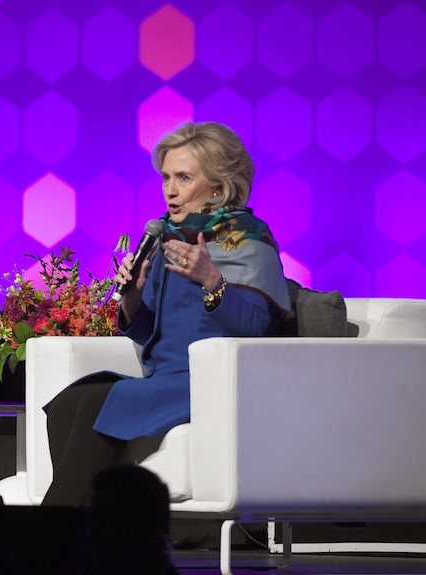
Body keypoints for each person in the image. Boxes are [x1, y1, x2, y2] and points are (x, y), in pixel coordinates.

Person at [42, 121, 291, 506]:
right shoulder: (169, 240)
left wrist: (212, 281)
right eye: (166, 178)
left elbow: (257, 328)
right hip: (167, 378)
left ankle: (56, 531)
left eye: (184, 178)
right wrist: (133, 298)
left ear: (219, 186)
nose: (170, 191)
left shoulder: (248, 241)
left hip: (213, 382)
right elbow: (152, 333)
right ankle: (95, 526)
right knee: (72, 399)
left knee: (96, 403)